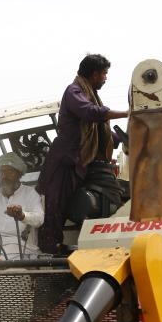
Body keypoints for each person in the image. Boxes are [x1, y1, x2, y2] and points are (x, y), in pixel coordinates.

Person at [36, 54, 129, 254]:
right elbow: (89, 113)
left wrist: (123, 137)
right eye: (104, 74)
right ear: (94, 74)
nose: (105, 78)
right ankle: (51, 251)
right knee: (56, 206)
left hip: (79, 161)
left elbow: (100, 133)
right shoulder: (74, 91)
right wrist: (126, 113)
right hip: (64, 161)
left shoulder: (89, 93)